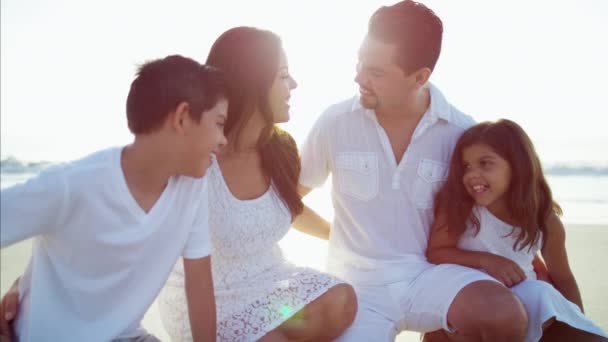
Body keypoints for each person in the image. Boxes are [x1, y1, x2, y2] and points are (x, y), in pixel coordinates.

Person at [298, 1, 530, 341]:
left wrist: (533, 263)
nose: (359, 77)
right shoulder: (334, 122)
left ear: (420, 77)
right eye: (360, 62)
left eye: (375, 72)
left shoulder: (460, 131)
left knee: (504, 315)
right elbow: (288, 202)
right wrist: (332, 233)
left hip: (429, 275)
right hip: (355, 287)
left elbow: (495, 209)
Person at [0, 55, 226, 341]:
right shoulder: (73, 184)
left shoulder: (192, 188)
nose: (223, 139)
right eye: (219, 123)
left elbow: (199, 286)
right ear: (182, 118)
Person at [157, 27, 357, 342]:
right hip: (207, 298)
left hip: (270, 286)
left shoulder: (281, 149)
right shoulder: (196, 159)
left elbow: (288, 206)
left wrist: (340, 236)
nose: (293, 85)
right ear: (252, 83)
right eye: (283, 76)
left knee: (341, 301)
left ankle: (271, 334)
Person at [426, 119, 608, 342]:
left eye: (485, 163)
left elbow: (563, 278)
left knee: (544, 294)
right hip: (471, 299)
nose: (472, 174)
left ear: (517, 165)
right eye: (466, 166)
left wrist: (577, 323)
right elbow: (436, 252)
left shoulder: (545, 220)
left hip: (523, 296)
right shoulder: (461, 208)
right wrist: (488, 261)